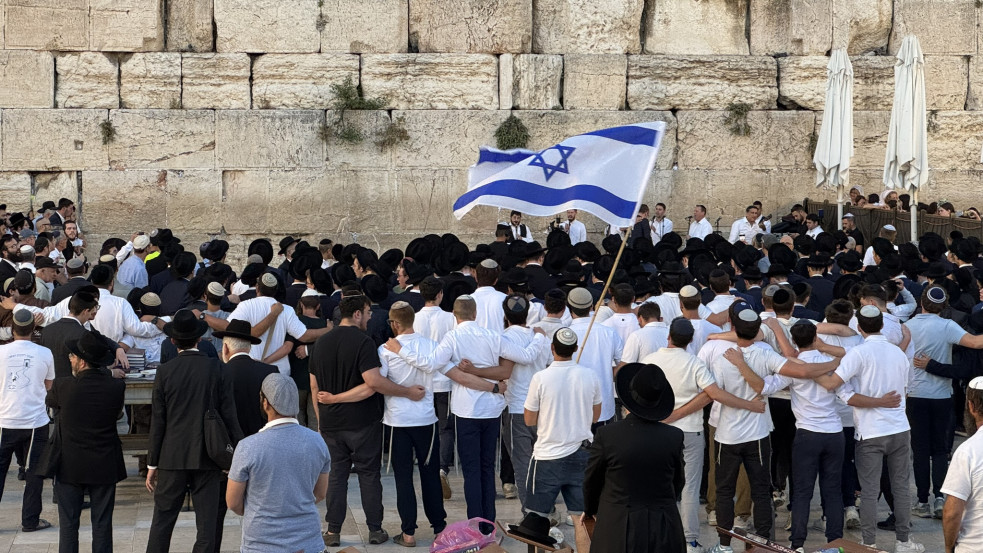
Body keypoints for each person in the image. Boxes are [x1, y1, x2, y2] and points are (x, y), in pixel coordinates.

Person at [385, 294, 546, 523]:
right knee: (487, 468)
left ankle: (475, 524)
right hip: (492, 409)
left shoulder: (452, 338)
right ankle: (489, 524)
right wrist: (539, 336)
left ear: (454, 315)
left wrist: (400, 350)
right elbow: (526, 356)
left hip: (466, 411)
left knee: (471, 470)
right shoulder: (493, 335)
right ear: (475, 313)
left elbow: (429, 364)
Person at [309, 294, 425, 547]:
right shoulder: (364, 342)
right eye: (368, 312)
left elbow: (314, 386)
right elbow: (373, 383)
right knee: (369, 474)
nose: (371, 317)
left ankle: (333, 530)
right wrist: (407, 392)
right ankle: (375, 529)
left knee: (336, 475)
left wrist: (321, 417)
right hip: (362, 422)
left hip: (330, 422)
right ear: (357, 314)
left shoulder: (320, 343)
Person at [643, 318, 766, 553]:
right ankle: (690, 541)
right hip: (690, 431)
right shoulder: (694, 363)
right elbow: (712, 394)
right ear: (690, 340)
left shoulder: (649, 361)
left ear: (668, 336)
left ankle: (656, 536)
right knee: (690, 487)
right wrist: (749, 405)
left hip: (656, 432)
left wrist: (665, 416)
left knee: (656, 483)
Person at [814, 305, 924, 553]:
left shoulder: (858, 353)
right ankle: (903, 542)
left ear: (859, 327)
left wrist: (807, 369)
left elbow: (834, 385)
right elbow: (906, 388)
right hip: (899, 429)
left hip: (870, 432)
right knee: (901, 488)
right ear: (881, 325)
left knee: (869, 490)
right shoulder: (898, 353)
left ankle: (869, 543)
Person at [146, 309, 244, 553]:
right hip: (208, 454)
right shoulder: (217, 368)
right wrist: (236, 456)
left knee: (162, 521)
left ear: (173, 341)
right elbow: (230, 416)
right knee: (207, 525)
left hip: (171, 456)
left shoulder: (165, 372)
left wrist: (152, 463)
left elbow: (158, 421)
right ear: (200, 339)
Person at [582, 362, 685, 553]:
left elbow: (592, 481)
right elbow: (678, 482)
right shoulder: (674, 436)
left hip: (617, 525)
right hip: (663, 526)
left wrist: (590, 509)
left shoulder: (607, 435)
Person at [226, 373, 331, 553]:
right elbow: (320, 493)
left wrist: (258, 512)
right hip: (307, 542)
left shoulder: (247, 446)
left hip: (260, 543)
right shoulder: (317, 441)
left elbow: (233, 502)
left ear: (265, 403)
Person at [906, 286, 983, 519]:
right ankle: (940, 498)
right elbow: (976, 343)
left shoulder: (907, 326)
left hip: (915, 395)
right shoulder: (947, 326)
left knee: (920, 450)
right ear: (944, 306)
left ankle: (922, 501)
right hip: (941, 396)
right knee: (940, 449)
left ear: (921, 302)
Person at [47, 329, 126, 553]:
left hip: (69, 464)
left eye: (73, 356)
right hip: (104, 462)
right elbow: (116, 413)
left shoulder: (63, 386)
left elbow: (51, 402)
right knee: (102, 523)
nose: (70, 359)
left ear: (82, 362)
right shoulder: (116, 386)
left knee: (68, 524)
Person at [378, 301, 447, 546]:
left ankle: (408, 532)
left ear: (394, 324)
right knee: (430, 475)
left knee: (403, 477)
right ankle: (439, 528)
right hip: (426, 419)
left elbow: (381, 382)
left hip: (398, 420)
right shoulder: (430, 345)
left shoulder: (385, 349)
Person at [0, 309, 55, 533]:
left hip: (5, 420)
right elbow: (49, 385)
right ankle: (30, 521)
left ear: (12, 329)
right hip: (35, 421)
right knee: (34, 474)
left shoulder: (1, 352)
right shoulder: (44, 353)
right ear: (33, 328)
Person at [412, 276, 457, 498]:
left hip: (421, 381)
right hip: (445, 380)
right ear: (440, 294)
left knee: (424, 425)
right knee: (445, 428)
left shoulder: (414, 318)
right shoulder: (450, 318)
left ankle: (427, 464)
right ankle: (442, 467)